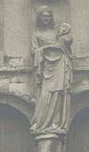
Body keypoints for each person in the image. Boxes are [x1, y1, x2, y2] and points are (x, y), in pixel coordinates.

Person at [30, 7, 73, 135]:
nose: (46, 19)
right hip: (45, 66)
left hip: (59, 63)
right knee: (45, 94)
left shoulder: (56, 33)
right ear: (39, 17)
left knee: (59, 92)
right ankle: (42, 123)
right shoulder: (36, 34)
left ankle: (55, 122)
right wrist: (45, 49)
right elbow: (34, 51)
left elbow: (65, 46)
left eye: (48, 16)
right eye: (43, 16)